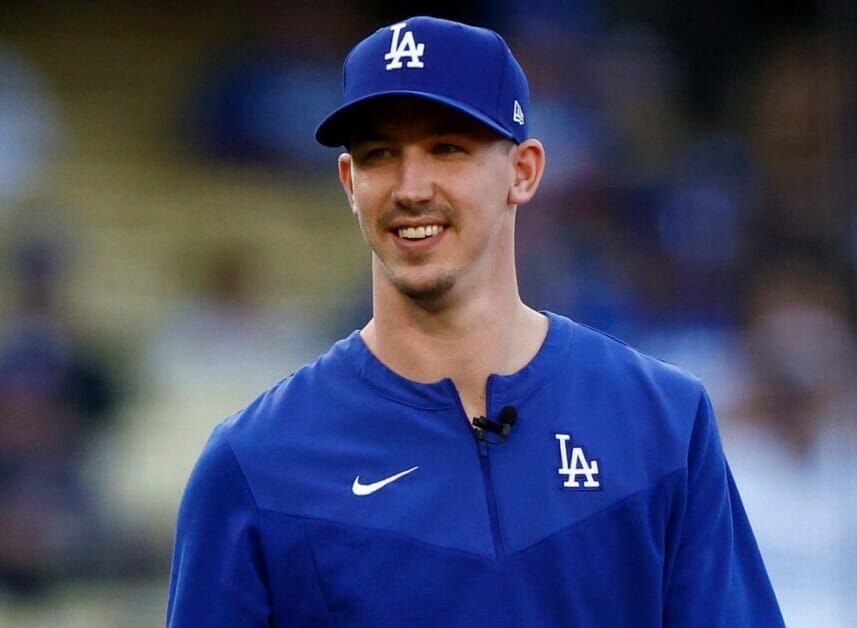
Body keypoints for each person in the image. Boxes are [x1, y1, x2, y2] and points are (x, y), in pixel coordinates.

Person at [167, 16, 784, 627]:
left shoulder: (662, 422)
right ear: (350, 182)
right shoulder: (257, 463)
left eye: (447, 148)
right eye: (381, 154)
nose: (411, 188)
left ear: (524, 171)